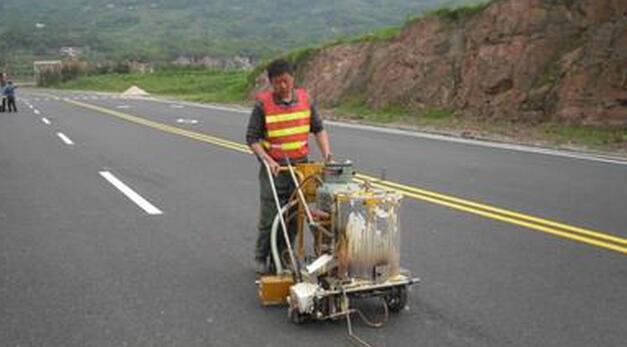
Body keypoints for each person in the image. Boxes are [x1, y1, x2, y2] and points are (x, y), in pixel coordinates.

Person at [246, 59, 332, 274]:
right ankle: (261, 255)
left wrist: (327, 155)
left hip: (299, 168)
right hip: (274, 169)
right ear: (270, 83)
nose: (282, 87)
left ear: (292, 78)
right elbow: (252, 138)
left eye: (285, 81)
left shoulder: (305, 100)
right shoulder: (263, 105)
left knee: (294, 216)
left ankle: (284, 257)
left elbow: (318, 129)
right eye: (276, 83)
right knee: (271, 216)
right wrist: (268, 160)